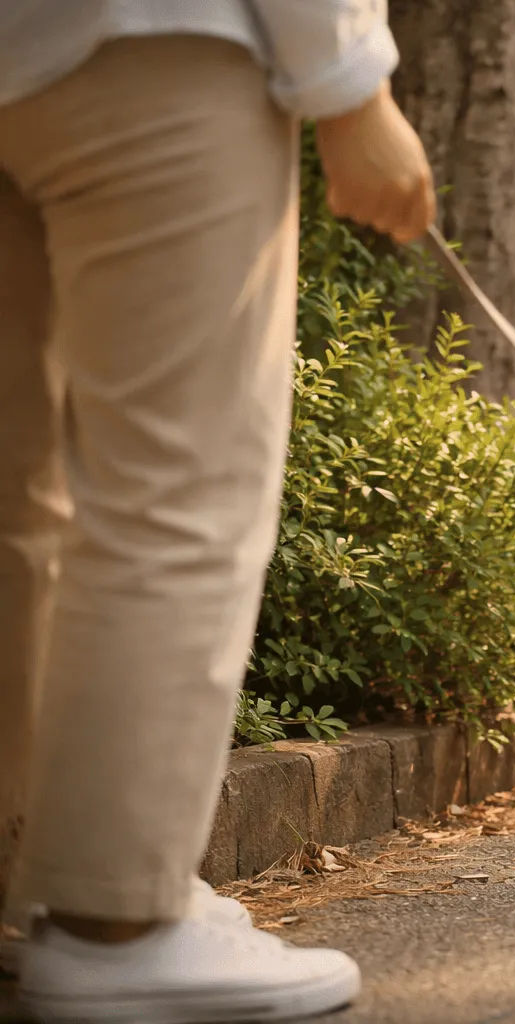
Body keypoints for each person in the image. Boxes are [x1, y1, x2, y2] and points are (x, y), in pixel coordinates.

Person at [0, 2, 436, 1019]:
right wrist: (351, 83)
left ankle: (38, 901)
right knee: (175, 490)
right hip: (159, 39)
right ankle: (116, 923)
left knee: (15, 497)